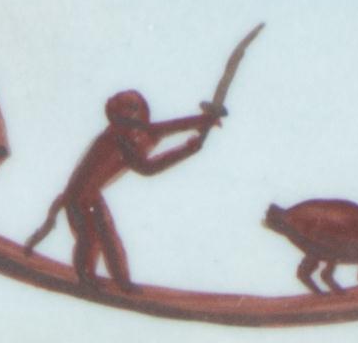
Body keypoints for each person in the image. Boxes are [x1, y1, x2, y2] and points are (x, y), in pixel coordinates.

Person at [29, 83, 227, 289]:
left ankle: (121, 281)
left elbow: (163, 128)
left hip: (90, 196)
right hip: (78, 199)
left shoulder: (131, 132)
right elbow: (148, 168)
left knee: (109, 238)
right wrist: (185, 151)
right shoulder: (120, 140)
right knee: (91, 238)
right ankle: (86, 277)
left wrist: (202, 121)